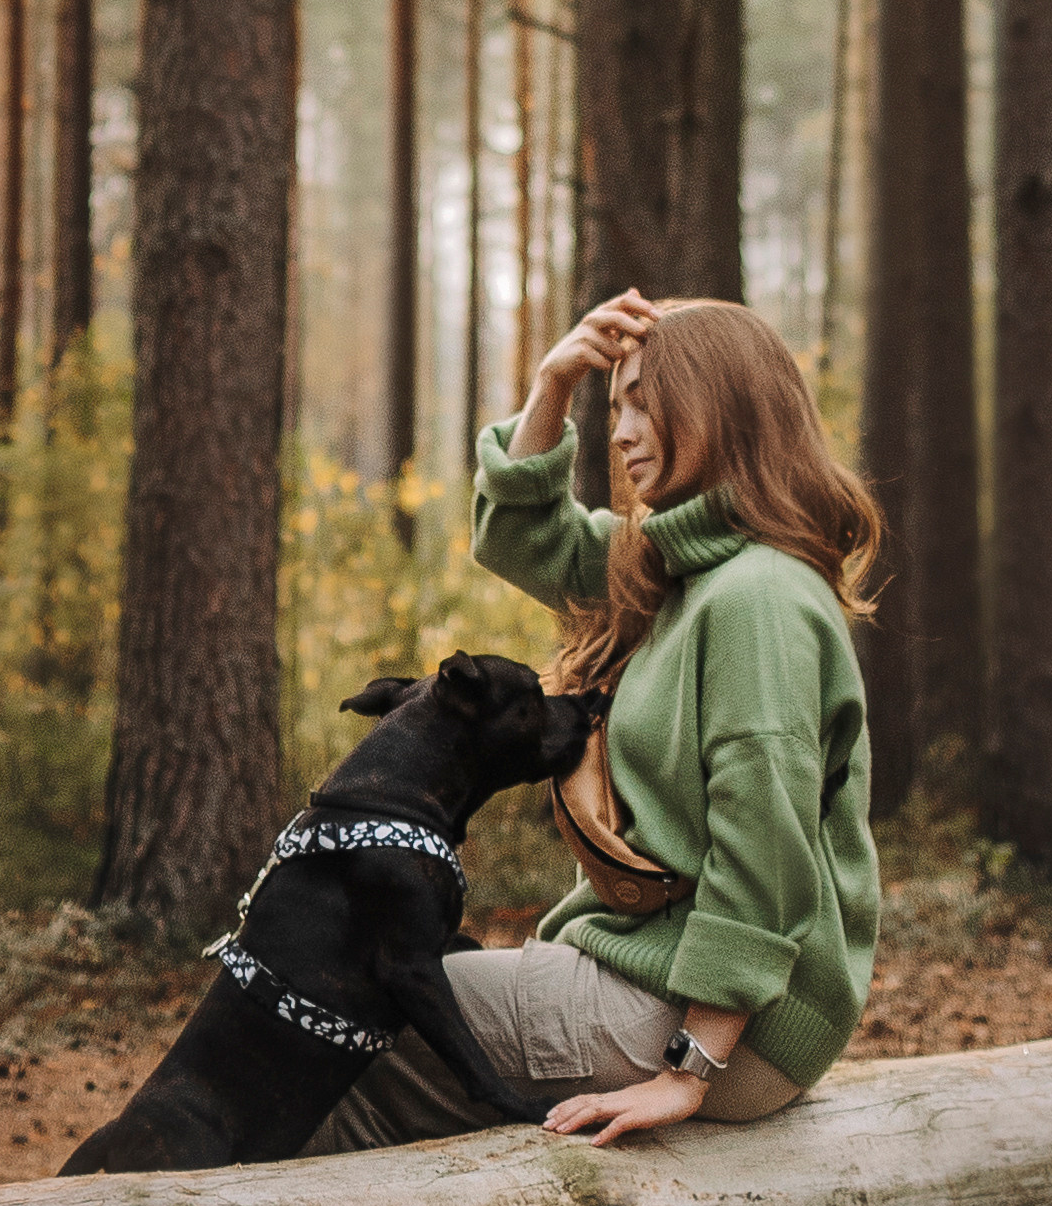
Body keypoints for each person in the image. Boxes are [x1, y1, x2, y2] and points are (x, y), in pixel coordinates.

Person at [300, 291, 881, 1154]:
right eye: (616, 407)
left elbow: (765, 848)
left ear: (719, 405)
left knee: (334, 1025)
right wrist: (552, 381)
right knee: (366, 1019)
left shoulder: (754, 598)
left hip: (720, 1019)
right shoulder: (680, 572)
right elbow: (524, 536)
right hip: (660, 981)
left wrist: (687, 1071)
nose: (621, 432)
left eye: (648, 401)